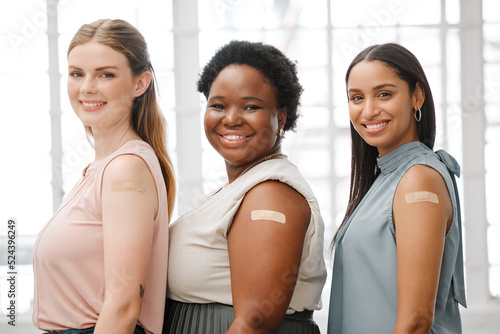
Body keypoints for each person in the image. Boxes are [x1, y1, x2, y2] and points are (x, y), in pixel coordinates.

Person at [165, 40, 327, 334]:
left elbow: (255, 322)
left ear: (281, 116)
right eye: (218, 105)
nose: (230, 119)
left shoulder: (271, 194)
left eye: (250, 106)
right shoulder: (241, 187)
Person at [32, 19, 176, 334]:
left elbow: (123, 306)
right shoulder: (102, 168)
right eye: (76, 74)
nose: (86, 88)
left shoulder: (126, 169)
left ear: (141, 84)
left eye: (106, 74)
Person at [327, 43, 467, 333]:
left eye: (384, 94)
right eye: (356, 97)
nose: (368, 110)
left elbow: (416, 322)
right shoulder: (386, 178)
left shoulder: (418, 178)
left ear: (416, 96)